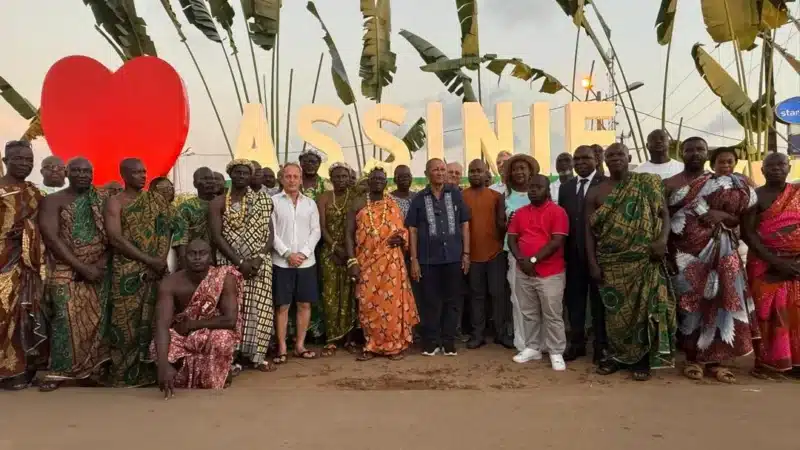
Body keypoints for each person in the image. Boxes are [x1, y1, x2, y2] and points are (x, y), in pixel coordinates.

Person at [669, 146, 758, 383]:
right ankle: (692, 360)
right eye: (721, 161)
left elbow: (744, 219)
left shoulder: (743, 186)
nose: (725, 165)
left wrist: (721, 216)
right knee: (692, 302)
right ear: (713, 162)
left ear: (736, 162)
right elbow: (678, 210)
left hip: (725, 251)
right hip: (693, 252)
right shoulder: (700, 183)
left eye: (730, 161)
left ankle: (717, 362)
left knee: (722, 302)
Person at [586, 143, 675, 381]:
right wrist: (593, 263)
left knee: (643, 309)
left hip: (644, 260)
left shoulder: (647, 183)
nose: (615, 158)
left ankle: (641, 359)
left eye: (620, 154)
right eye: (610, 155)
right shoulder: (596, 192)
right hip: (611, 262)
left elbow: (664, 214)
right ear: (604, 160)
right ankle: (617, 356)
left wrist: (662, 240)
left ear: (630, 157)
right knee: (615, 314)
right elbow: (588, 232)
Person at [104, 158, 183, 387]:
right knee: (124, 322)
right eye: (137, 172)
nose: (142, 175)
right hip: (126, 270)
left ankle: (150, 371)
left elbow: (169, 228)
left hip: (155, 270)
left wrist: (159, 259)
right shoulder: (114, 202)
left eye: (144, 171)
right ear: (124, 175)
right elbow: (115, 238)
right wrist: (148, 260)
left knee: (153, 320)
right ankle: (123, 374)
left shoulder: (155, 200)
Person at [38, 157, 110, 392]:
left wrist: (99, 263)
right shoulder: (53, 201)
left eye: (87, 171)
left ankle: (91, 370)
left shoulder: (102, 200)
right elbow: (51, 237)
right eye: (77, 170)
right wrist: (81, 267)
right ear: (67, 173)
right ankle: (60, 371)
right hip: (66, 266)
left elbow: (114, 235)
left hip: (99, 268)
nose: (82, 175)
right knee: (64, 317)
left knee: (96, 320)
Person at [210, 159, 276, 373]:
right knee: (234, 309)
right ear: (230, 174)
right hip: (230, 263)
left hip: (259, 263)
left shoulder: (264, 201)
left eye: (245, 173)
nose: (240, 176)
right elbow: (217, 237)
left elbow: (270, 234)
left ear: (250, 177)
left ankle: (257, 356)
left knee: (260, 308)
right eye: (236, 172)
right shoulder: (219, 202)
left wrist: (256, 259)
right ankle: (233, 357)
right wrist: (239, 263)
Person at [152, 239, 243, 396]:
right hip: (184, 335)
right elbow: (161, 325)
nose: (197, 258)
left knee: (221, 339)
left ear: (210, 257)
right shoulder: (170, 283)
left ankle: (217, 375)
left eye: (202, 253)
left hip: (212, 331)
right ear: (183, 257)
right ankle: (176, 376)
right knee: (157, 347)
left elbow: (230, 320)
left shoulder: (223, 278)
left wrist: (193, 324)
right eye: (192, 254)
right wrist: (163, 365)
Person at [346, 167, 419, 360]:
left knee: (392, 305)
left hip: (391, 264)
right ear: (368, 181)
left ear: (386, 183)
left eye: (381, 179)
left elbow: (403, 230)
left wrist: (402, 239)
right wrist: (351, 260)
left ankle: (394, 346)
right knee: (367, 303)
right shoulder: (358, 203)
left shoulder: (392, 204)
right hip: (366, 263)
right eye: (374, 178)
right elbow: (348, 233)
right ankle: (371, 346)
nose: (378, 181)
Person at [406, 158, 471, 356]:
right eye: (436, 169)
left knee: (452, 301)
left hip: (453, 257)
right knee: (430, 301)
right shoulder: (418, 199)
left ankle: (449, 341)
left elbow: (465, 225)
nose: (441, 173)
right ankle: (431, 342)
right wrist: (414, 260)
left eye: (443, 169)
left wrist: (466, 254)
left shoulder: (456, 196)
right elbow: (413, 230)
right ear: (427, 173)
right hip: (428, 259)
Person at [744, 152, 800, 377]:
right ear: (763, 170)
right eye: (771, 165)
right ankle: (769, 363)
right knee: (768, 314)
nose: (777, 168)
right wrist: (774, 261)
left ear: (789, 168)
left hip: (797, 263)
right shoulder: (754, 197)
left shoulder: (797, 193)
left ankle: (796, 363)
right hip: (763, 262)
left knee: (796, 312)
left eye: (781, 164)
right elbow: (748, 233)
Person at [508, 174, 568, 371]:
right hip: (524, 271)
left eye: (538, 187)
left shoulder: (558, 212)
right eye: (531, 187)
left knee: (552, 314)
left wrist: (533, 260)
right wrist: (522, 260)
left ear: (547, 190)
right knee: (528, 312)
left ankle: (556, 351)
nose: (533, 190)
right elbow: (512, 240)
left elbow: (556, 241)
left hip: (550, 272)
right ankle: (532, 347)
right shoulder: (520, 213)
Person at [0, 140, 46, 390]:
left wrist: (29, 233)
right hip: (2, 259)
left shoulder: (33, 193)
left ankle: (15, 370)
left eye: (29, 160)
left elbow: (41, 226)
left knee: (22, 316)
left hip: (25, 262)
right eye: (19, 159)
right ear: (6, 161)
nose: (25, 164)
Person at [558, 145, 606, 363]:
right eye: (576, 159)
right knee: (574, 302)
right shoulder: (566, 188)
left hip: (599, 255)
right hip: (573, 255)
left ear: (596, 159)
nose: (579, 163)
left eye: (585, 158)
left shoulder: (605, 184)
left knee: (599, 304)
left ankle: (600, 346)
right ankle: (576, 344)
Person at [272, 162, 322, 362]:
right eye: (288, 176)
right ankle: (282, 347)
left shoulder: (310, 203)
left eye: (295, 176)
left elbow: (315, 230)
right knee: (282, 306)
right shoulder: (273, 202)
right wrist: (287, 254)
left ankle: (300, 346)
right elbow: (272, 232)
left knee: (304, 304)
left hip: (306, 263)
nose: (292, 180)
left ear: (301, 180)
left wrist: (303, 253)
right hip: (282, 262)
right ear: (282, 179)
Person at [462, 159, 510, 349]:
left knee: (498, 295)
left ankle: (500, 333)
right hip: (472, 256)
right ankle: (478, 334)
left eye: (478, 171)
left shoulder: (497, 196)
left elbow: (502, 225)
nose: (475, 174)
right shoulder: (461, 196)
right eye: (472, 171)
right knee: (476, 296)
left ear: (486, 173)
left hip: (495, 254)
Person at [317, 162, 357, 356]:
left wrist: (348, 252)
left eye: (344, 177)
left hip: (351, 252)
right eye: (337, 177)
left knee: (350, 294)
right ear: (331, 179)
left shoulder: (355, 198)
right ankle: (331, 339)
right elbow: (321, 227)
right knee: (331, 295)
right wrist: (334, 247)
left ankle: (349, 339)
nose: (341, 180)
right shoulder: (324, 198)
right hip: (329, 253)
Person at [504, 154, 541, 352]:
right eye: (515, 169)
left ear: (530, 172)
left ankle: (541, 342)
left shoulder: (539, 194)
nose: (519, 172)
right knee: (518, 300)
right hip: (515, 254)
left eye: (522, 168)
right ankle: (524, 342)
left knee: (540, 299)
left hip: (541, 256)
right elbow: (501, 227)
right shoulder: (506, 197)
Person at [298, 147, 331, 343]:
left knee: (319, 286)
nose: (310, 164)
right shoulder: (293, 183)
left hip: (322, 244)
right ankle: (298, 332)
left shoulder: (326, 186)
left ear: (319, 165)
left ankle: (318, 330)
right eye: (307, 161)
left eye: (314, 161)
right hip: (296, 245)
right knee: (299, 289)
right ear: (301, 163)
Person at [173, 167, 217, 270]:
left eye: (212, 178)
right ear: (195, 183)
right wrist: (184, 268)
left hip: (220, 258)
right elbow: (181, 240)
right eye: (205, 179)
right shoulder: (186, 207)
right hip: (195, 261)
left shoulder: (223, 203)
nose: (210, 182)